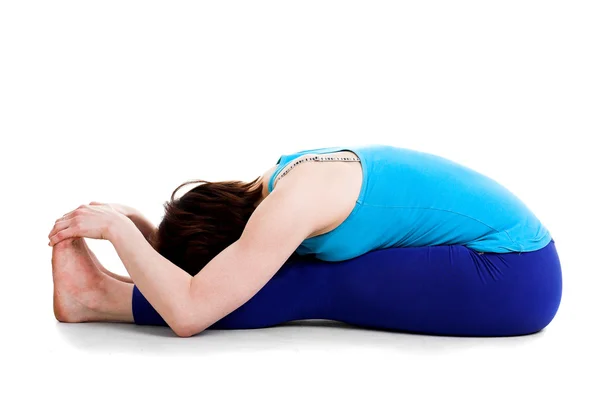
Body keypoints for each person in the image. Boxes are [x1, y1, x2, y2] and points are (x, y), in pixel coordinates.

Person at [48, 144, 555, 337]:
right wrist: (145, 229)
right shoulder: (278, 178)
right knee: (302, 271)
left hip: (513, 276)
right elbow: (226, 268)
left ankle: (99, 299)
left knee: (310, 283)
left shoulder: (286, 212)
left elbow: (190, 312)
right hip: (514, 258)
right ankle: (111, 292)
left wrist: (118, 231)